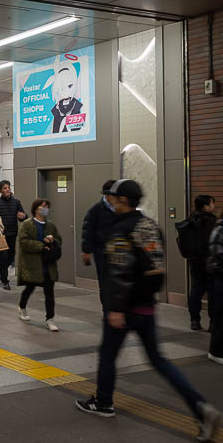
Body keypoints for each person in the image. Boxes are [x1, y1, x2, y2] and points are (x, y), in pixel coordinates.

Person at [75, 180, 221, 442]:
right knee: (158, 360)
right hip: (146, 307)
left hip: (123, 309)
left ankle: (104, 402)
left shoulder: (120, 230)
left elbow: (119, 272)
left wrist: (117, 308)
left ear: (122, 200)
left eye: (115, 198)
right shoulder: (149, 226)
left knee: (107, 355)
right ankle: (200, 407)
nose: (112, 202)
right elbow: (157, 267)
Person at [17, 199, 62, 331]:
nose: (45, 209)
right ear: (36, 208)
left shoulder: (51, 225)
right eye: (43, 207)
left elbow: (60, 240)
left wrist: (53, 241)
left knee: (49, 293)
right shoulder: (27, 224)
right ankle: (22, 307)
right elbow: (24, 242)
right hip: (33, 264)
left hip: (48, 264)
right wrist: (41, 245)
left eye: (47, 207)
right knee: (29, 287)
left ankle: (50, 318)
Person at [177, 195, 217, 331]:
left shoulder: (190, 219)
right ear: (205, 207)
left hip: (194, 261)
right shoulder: (211, 221)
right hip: (209, 261)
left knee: (195, 290)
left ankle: (194, 320)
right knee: (213, 292)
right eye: (212, 204)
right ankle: (213, 323)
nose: (214, 206)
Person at [81, 180, 118, 312]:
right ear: (108, 195)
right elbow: (88, 230)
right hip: (102, 252)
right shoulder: (96, 209)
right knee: (105, 283)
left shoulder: (120, 208)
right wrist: (87, 251)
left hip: (118, 252)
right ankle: (107, 310)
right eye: (114, 195)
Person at [0, 181, 27, 291]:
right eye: (4, 188)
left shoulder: (16, 202)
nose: (7, 189)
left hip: (12, 233)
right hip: (1, 235)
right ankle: (4, 279)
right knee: (3, 257)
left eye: (8, 188)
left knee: (11, 257)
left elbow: (23, 215)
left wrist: (23, 216)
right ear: (0, 190)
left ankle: (2, 270)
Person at [208, 214, 223, 366]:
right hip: (220, 279)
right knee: (220, 317)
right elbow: (218, 256)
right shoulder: (219, 230)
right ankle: (215, 351)